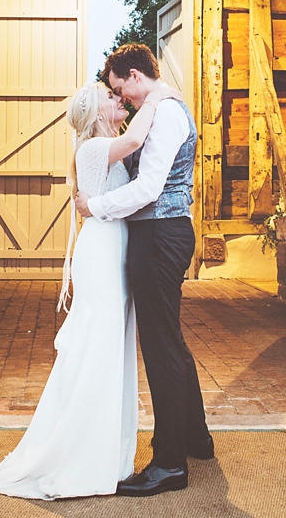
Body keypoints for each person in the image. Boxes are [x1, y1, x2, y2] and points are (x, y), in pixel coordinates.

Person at [0, 80, 180, 500]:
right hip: (102, 253)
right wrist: (158, 96)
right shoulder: (93, 148)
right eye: (111, 98)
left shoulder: (102, 146)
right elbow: (135, 138)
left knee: (112, 346)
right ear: (95, 114)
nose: (119, 100)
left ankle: (108, 453)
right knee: (99, 346)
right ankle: (81, 455)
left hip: (115, 248)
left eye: (118, 95)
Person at [76, 44, 213, 498]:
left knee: (159, 348)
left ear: (134, 76)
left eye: (121, 90)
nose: (123, 99)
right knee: (168, 339)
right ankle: (196, 438)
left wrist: (93, 206)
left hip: (159, 235)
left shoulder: (166, 113)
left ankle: (169, 462)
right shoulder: (156, 110)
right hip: (157, 235)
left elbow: (150, 187)